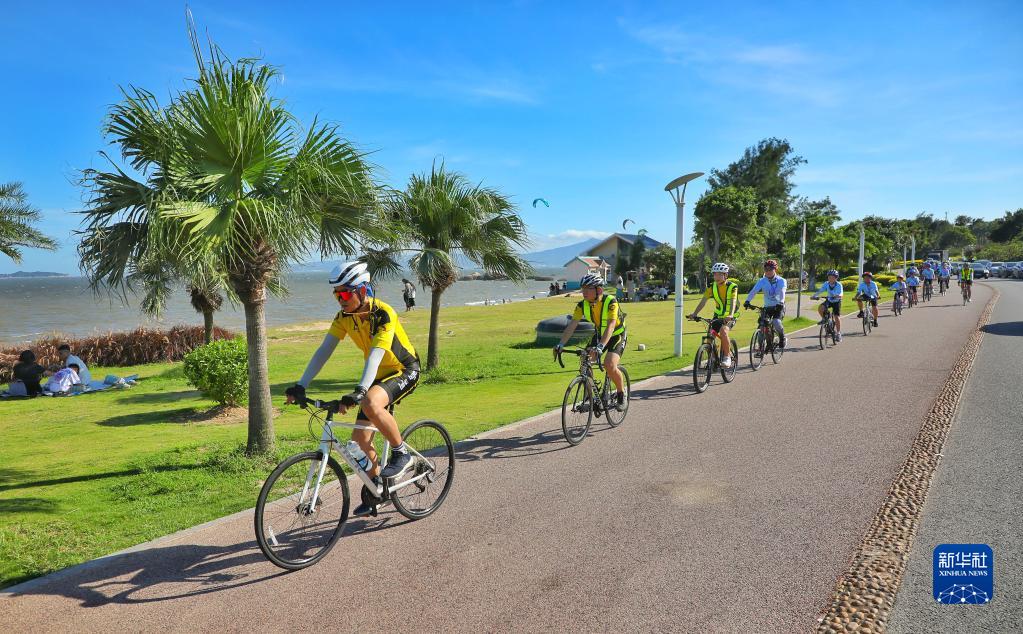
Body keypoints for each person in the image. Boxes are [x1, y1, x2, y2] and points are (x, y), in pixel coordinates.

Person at [285, 261, 421, 517]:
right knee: (359, 441)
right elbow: (324, 351)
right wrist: (301, 384)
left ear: (363, 290)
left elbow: (377, 354)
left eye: (346, 293)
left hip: (403, 369)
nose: (340, 299)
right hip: (377, 378)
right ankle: (380, 487)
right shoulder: (344, 317)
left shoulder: (383, 313)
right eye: (336, 294)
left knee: (370, 402)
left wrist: (360, 390)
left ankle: (401, 454)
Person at [553, 274, 628, 408]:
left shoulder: (611, 302)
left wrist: (600, 347)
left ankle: (621, 394)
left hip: (617, 335)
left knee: (609, 365)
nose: (584, 292)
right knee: (585, 359)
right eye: (583, 288)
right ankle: (591, 395)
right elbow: (572, 325)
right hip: (600, 334)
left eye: (588, 288)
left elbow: (611, 326)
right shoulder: (582, 305)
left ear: (598, 290)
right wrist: (561, 344)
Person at [688, 263, 739, 368]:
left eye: (720, 274)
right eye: (715, 274)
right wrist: (695, 314)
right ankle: (713, 357)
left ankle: (727, 357)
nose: (717, 277)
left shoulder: (732, 287)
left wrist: (730, 314)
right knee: (710, 334)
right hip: (718, 315)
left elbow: (733, 301)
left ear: (725, 275)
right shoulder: (712, 287)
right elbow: (703, 301)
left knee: (724, 332)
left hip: (731, 315)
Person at [744, 259, 787, 349]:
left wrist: (781, 302)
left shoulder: (781, 280)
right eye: (766, 270)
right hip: (767, 307)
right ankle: (763, 347)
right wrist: (747, 301)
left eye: (770, 269)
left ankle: (782, 337)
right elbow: (754, 291)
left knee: (776, 322)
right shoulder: (762, 281)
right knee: (762, 325)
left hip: (779, 306)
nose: (768, 272)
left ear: (775, 269)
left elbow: (782, 291)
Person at [811, 269, 844, 342]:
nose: (830, 278)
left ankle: (838, 333)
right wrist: (814, 296)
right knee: (820, 308)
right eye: (829, 277)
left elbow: (841, 293)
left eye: (832, 277)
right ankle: (825, 319)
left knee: (836, 316)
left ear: (836, 278)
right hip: (829, 300)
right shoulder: (826, 283)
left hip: (836, 301)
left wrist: (838, 296)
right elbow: (821, 290)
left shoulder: (839, 284)